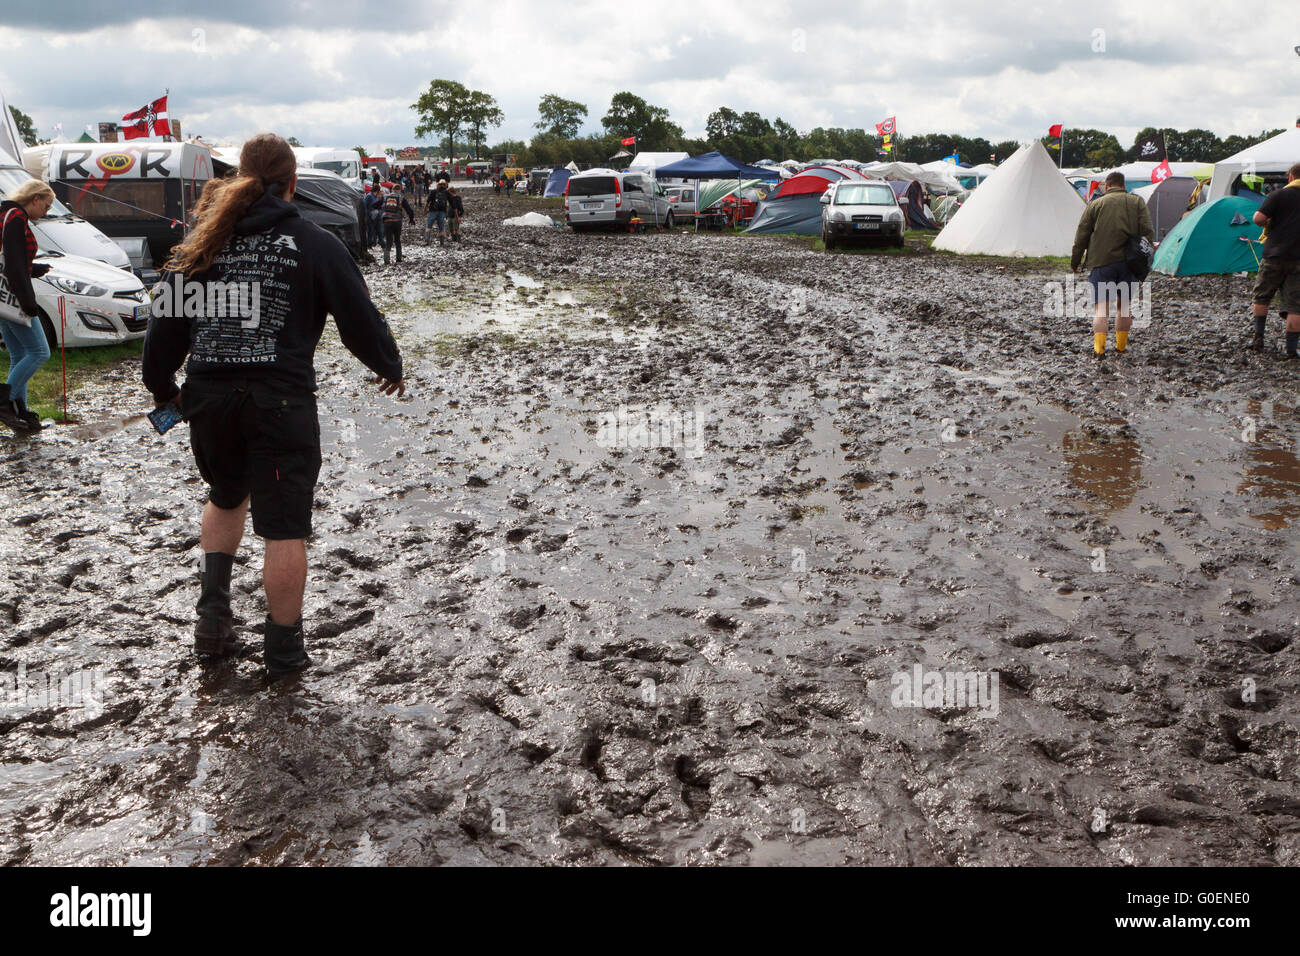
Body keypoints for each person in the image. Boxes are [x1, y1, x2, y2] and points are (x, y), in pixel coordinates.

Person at [141, 133, 404, 677]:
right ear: (293, 184)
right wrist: (388, 366)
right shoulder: (316, 243)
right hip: (278, 402)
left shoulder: (198, 246)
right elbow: (360, 319)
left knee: (225, 493)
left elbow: (160, 337)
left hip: (209, 399)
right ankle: (283, 652)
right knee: (284, 528)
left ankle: (213, 614)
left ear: (239, 177)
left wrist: (166, 394)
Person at [1070, 171, 1153, 356]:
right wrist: (1143, 258)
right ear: (1123, 185)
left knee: (1101, 309)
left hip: (1101, 262)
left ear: (1106, 186)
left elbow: (1081, 235)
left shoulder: (1095, 204)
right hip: (1129, 263)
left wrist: (1075, 262)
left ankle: (1099, 350)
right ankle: (1121, 347)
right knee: (1124, 307)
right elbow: (1148, 231)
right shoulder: (1137, 202)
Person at [0, 180, 55, 433]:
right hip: (13, 299)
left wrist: (35, 269)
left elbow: (13, 261)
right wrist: (29, 303)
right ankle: (4, 403)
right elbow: (13, 266)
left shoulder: (7, 215)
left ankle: (20, 414)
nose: (46, 211)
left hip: (3, 298)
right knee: (39, 352)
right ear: (35, 198)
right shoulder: (16, 219)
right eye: (46, 205)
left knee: (19, 355)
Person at [1250, 162, 1300, 357]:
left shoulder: (1279, 194)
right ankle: (1291, 350)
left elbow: (1258, 219)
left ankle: (1258, 340)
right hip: (1298, 258)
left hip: (1274, 254)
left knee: (1262, 296)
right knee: (1296, 305)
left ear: (1291, 177)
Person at [380, 184, 416, 265]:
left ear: (392, 190)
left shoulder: (385, 196)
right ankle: (398, 258)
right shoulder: (401, 198)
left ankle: (386, 260)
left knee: (388, 240)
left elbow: (375, 205)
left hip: (387, 221)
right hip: (397, 221)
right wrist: (411, 219)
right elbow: (409, 210)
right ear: (399, 190)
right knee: (397, 240)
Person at [426, 179, 451, 246]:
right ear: (445, 185)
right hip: (442, 211)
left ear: (438, 185)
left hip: (433, 211)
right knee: (441, 227)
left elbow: (428, 201)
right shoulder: (446, 192)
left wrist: (425, 209)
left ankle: (427, 241)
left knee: (429, 226)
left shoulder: (433, 191)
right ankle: (442, 243)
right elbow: (451, 202)